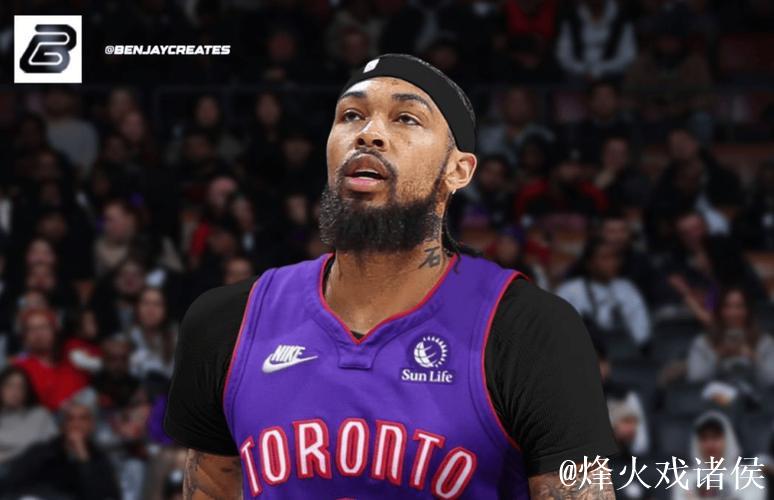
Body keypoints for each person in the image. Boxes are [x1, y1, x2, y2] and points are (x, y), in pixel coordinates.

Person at [164, 53, 617, 498]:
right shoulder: (226, 322)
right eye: (351, 115)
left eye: (406, 119)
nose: (369, 133)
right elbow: (211, 487)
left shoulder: (531, 331)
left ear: (458, 171)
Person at [0, 395, 122, 500]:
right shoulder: (42, 451)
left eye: (83, 418)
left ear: (91, 425)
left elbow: (102, 495)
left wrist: (83, 458)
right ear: (63, 426)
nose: (76, 424)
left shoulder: (100, 460)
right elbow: (12, 482)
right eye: (70, 419)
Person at [556, 238, 651, 346]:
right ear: (589, 263)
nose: (612, 263)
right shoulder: (570, 291)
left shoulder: (627, 288)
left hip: (624, 351)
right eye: (605, 258)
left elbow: (641, 333)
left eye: (615, 258)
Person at [686, 287, 774, 388]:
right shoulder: (702, 342)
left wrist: (754, 357)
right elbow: (696, 379)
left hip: (757, 396)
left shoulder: (765, 342)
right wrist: (717, 356)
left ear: (748, 311)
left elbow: (772, 380)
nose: (733, 313)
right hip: (715, 396)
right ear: (719, 311)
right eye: (727, 307)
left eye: (739, 307)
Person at [0, 366, 58, 463]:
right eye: (10, 385)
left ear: (27, 391)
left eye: (21, 387)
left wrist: (6, 456)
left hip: (32, 467)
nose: (15, 392)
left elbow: (50, 448)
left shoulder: (40, 415)